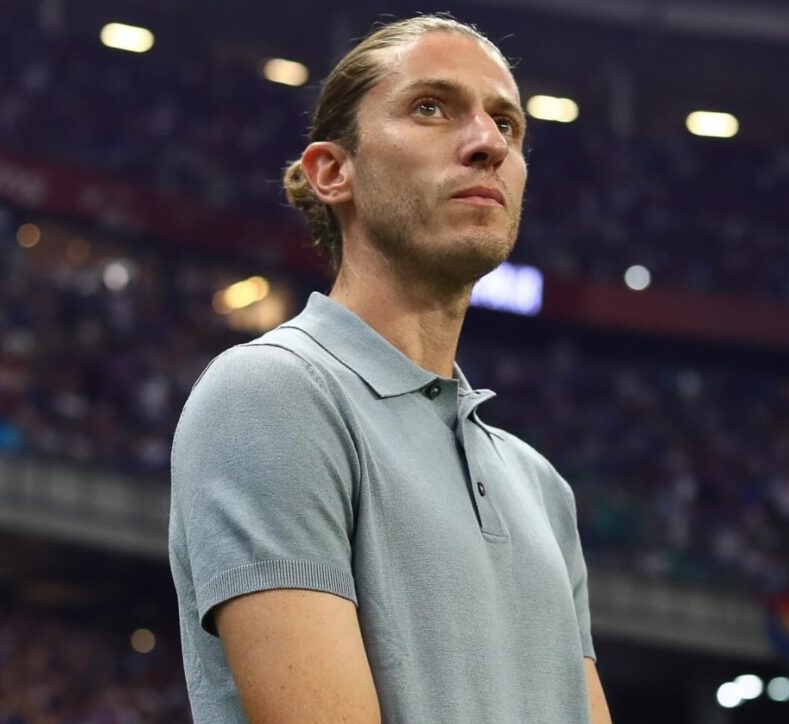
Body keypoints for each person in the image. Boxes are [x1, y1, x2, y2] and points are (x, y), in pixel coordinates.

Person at [169, 14, 613, 724]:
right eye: (431, 108)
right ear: (332, 172)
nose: (487, 144)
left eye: (508, 124)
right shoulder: (272, 393)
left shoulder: (542, 489)